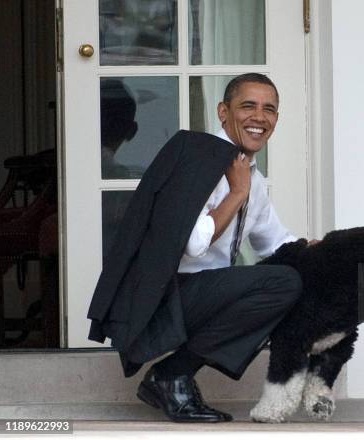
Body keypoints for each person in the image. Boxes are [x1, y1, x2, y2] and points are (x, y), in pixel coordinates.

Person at [135, 73, 311, 423]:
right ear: (223, 112)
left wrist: (327, 251)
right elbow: (194, 245)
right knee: (282, 283)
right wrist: (236, 195)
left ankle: (173, 375)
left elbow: (276, 243)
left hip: (203, 292)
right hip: (164, 297)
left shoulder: (251, 178)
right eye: (248, 106)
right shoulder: (198, 163)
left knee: (293, 276)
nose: (259, 117)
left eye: (269, 109)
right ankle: (171, 375)